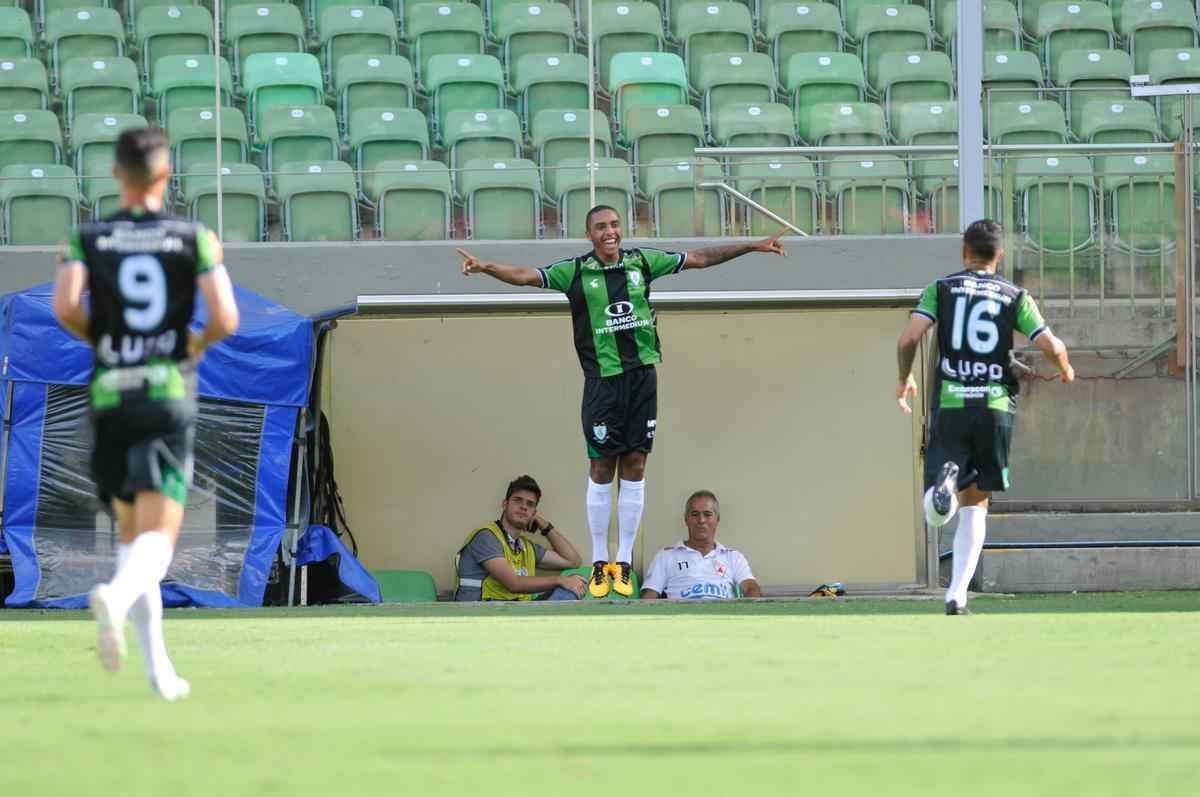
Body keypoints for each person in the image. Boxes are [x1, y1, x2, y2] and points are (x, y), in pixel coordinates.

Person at [457, 206, 786, 598]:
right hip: (602, 382)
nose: (609, 232)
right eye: (600, 227)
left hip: (643, 376)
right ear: (589, 234)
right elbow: (527, 276)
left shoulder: (643, 261)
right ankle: (601, 559)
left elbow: (699, 258)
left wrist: (753, 245)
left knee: (635, 462)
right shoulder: (575, 271)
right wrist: (485, 267)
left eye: (614, 225)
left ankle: (623, 559)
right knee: (601, 465)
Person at [53, 127, 240, 700]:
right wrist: (191, 346)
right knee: (158, 540)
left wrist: (105, 342)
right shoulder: (193, 237)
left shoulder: (87, 236)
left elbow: (63, 306)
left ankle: (160, 671)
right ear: (165, 176)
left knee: (133, 536)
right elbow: (225, 317)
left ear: (116, 175)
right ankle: (113, 593)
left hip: (110, 395)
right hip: (163, 393)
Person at [896, 219, 1074, 616]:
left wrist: (904, 376)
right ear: (1000, 256)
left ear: (964, 252)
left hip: (952, 401)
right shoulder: (1015, 295)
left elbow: (909, 338)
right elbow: (1049, 342)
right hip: (994, 405)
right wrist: (1064, 368)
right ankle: (957, 595)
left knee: (938, 505)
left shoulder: (940, 288)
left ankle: (941, 489)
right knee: (977, 501)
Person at [454, 475, 587, 601]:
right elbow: (513, 584)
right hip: (480, 615)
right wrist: (559, 580)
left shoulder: (526, 547)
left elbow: (572, 561)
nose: (523, 507)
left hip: (515, 613)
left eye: (530, 504)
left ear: (534, 513)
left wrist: (543, 525)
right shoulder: (486, 537)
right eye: (518, 500)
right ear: (505, 504)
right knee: (565, 582)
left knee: (576, 580)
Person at [640, 491, 761, 600]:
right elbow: (648, 597)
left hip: (723, 620)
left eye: (707, 514)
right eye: (695, 514)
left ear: (717, 519)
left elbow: (751, 589)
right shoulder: (666, 556)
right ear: (686, 519)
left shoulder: (733, 557)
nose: (701, 520)